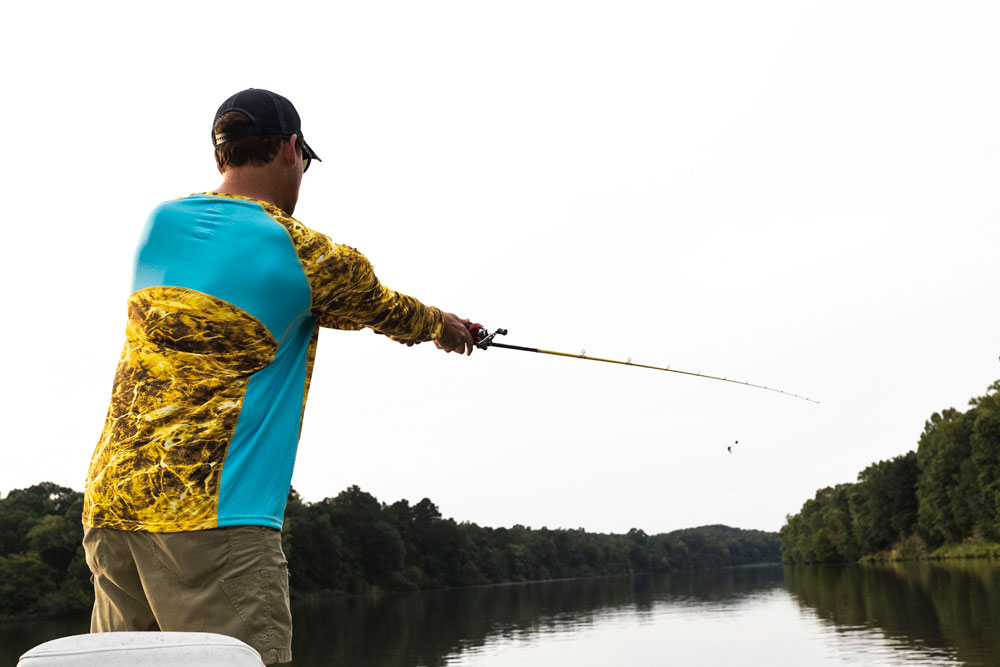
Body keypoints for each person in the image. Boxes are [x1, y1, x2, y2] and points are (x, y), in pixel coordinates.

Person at [81, 88, 475, 664]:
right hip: (215, 521)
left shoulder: (160, 224)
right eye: (306, 161)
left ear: (223, 155)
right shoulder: (309, 256)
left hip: (112, 510)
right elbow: (386, 311)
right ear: (292, 149)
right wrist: (445, 326)